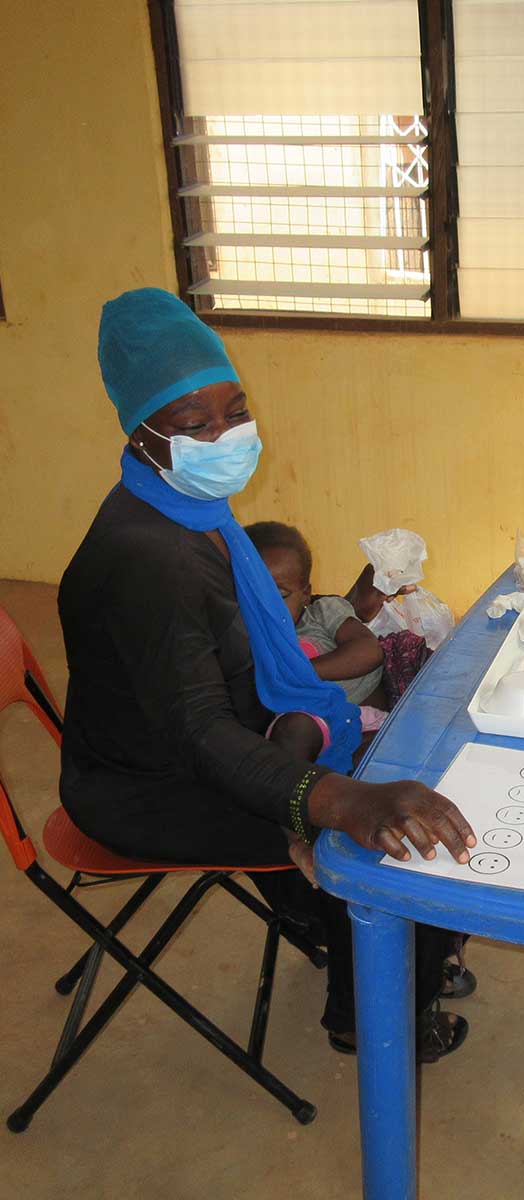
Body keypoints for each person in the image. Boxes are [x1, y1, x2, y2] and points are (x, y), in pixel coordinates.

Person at [59, 288, 476, 1059]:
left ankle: (365, 941)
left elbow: (255, 656)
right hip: (147, 787)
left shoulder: (189, 511)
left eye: (234, 410)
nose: (225, 435)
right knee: (385, 836)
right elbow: (201, 736)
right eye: (195, 425)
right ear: (143, 433)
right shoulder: (148, 559)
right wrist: (337, 800)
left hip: (201, 741)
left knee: (398, 764)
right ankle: (373, 1009)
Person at [245, 520, 389, 715]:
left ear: (305, 593)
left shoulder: (322, 612)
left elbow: (368, 651)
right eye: (252, 596)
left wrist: (298, 671)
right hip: (310, 726)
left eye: (281, 596)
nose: (268, 608)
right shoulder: (246, 635)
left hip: (366, 716)